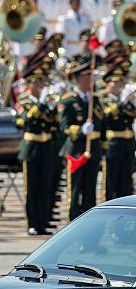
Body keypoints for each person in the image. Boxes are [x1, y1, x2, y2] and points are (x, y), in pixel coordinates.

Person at [58, 54, 103, 220]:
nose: (90, 80)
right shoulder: (69, 100)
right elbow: (64, 127)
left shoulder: (95, 100)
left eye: (91, 76)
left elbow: (102, 124)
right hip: (76, 151)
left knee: (90, 189)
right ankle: (73, 221)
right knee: (75, 190)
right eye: (86, 77)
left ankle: (89, 222)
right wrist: (80, 130)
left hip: (93, 150)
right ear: (78, 79)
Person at [15, 62, 55, 235]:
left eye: (41, 82)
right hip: (30, 147)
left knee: (45, 185)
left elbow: (52, 123)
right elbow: (24, 121)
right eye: (36, 83)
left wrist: (50, 107)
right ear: (30, 83)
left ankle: (43, 221)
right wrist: (40, 104)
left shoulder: (44, 101)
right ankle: (32, 222)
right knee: (32, 187)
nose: (39, 86)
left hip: (45, 146)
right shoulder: (23, 100)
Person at [100, 61, 136, 200]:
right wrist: (120, 103)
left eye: (121, 82)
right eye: (115, 82)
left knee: (126, 182)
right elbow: (106, 117)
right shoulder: (102, 98)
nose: (119, 85)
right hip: (113, 145)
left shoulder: (126, 100)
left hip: (127, 145)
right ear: (107, 83)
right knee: (110, 182)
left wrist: (133, 102)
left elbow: (134, 116)